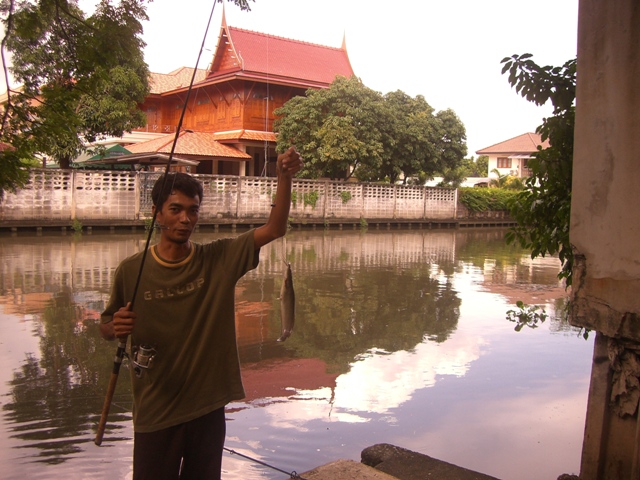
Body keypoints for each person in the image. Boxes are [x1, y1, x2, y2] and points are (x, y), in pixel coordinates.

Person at [99, 146, 303, 480]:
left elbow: (274, 228)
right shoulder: (131, 270)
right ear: (156, 214)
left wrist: (283, 177)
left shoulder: (218, 259)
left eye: (193, 210)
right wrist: (114, 328)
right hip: (156, 409)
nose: (185, 219)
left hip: (208, 408)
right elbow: (107, 326)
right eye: (175, 210)